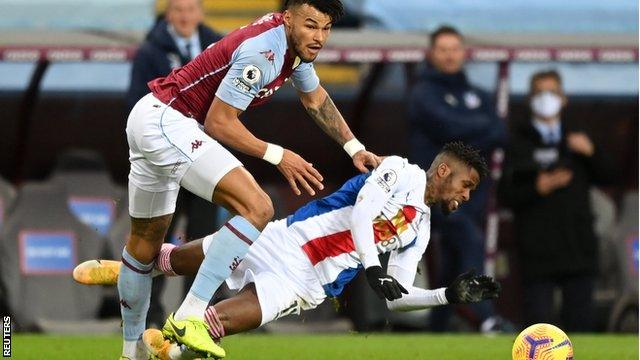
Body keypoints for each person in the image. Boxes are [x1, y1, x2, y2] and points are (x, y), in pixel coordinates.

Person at [115, 0, 380, 358]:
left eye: (326, 28)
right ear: (288, 19)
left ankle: (131, 354)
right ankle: (190, 315)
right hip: (171, 122)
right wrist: (278, 155)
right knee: (258, 207)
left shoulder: (294, 48)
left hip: (151, 117)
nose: (319, 37)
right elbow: (219, 123)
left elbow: (315, 98)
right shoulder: (264, 53)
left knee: (143, 247)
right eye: (310, 25)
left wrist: (354, 148)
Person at [74, 142, 501, 359]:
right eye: (467, 185)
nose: (466, 196)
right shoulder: (398, 170)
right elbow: (362, 213)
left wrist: (447, 295)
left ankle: (166, 348)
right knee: (182, 262)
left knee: (214, 326)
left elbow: (398, 296)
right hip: (284, 237)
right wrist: (373, 267)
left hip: (305, 282)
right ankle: (133, 269)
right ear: (443, 171)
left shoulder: (420, 231)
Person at [126, 0, 224, 329]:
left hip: (205, 158)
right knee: (155, 238)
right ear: (169, 14)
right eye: (178, 10)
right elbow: (135, 103)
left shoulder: (218, 46)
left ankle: (195, 315)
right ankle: (148, 316)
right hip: (166, 160)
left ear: (200, 13)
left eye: (190, 9)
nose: (184, 16)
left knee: (203, 238)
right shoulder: (150, 52)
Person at [406, 25, 506, 332]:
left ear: (464, 53)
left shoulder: (477, 94)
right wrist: (479, 128)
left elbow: (502, 132)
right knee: (470, 241)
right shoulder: (422, 93)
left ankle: (435, 329)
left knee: (453, 259)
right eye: (443, 49)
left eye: (455, 48)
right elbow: (449, 129)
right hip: (436, 195)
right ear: (432, 53)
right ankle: (488, 318)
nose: (450, 55)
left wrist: (465, 127)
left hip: (472, 194)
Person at [498, 70, 611, 332]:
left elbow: (609, 175)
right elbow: (506, 194)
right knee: (538, 329)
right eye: (539, 93)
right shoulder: (517, 142)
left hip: (578, 246)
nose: (546, 99)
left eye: (552, 92)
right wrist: (537, 188)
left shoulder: (579, 138)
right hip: (536, 249)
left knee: (581, 326)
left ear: (564, 98)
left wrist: (591, 152)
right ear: (529, 99)